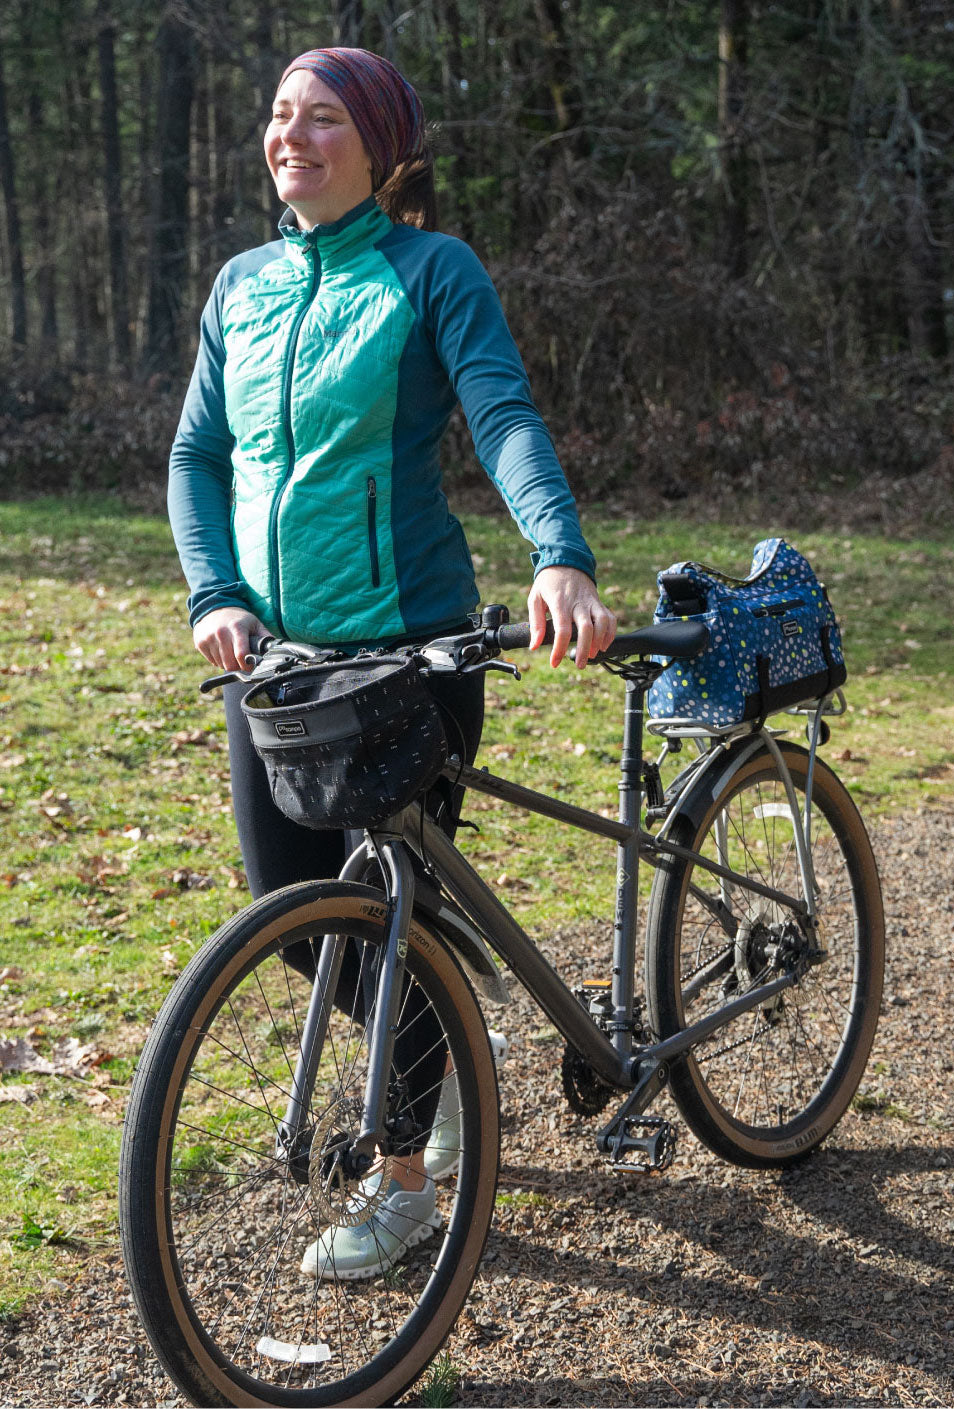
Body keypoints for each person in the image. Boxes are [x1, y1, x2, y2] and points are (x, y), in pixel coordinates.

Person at [167, 46, 616, 1280]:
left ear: (379, 146)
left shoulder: (430, 271)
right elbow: (197, 455)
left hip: (410, 649)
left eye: (321, 119)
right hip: (276, 661)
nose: (290, 136)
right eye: (278, 115)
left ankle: (407, 1181)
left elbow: (503, 411)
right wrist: (214, 591)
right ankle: (453, 1044)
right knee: (302, 923)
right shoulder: (240, 286)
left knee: (386, 922)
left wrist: (557, 554)